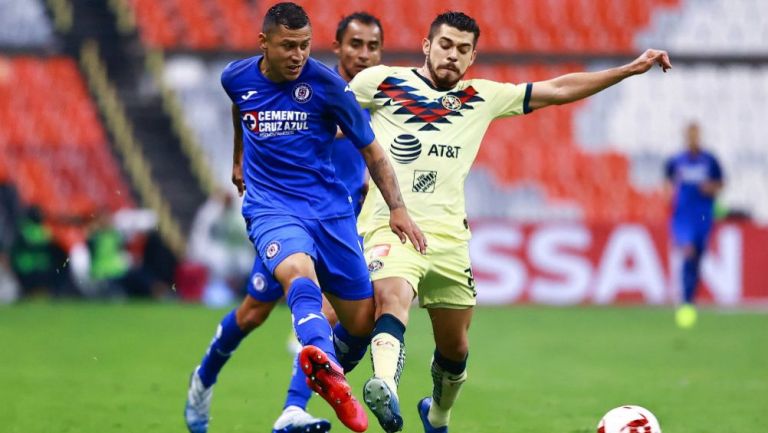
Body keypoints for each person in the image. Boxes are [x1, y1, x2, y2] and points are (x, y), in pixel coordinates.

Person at [348, 11, 672, 433]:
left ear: (473, 57)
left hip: (447, 239)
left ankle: (437, 415)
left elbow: (556, 89)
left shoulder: (481, 97)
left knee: (456, 346)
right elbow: (327, 119)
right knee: (392, 298)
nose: (453, 55)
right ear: (427, 46)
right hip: (390, 226)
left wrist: (628, 70)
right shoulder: (378, 82)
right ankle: (384, 383)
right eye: (445, 45)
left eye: (463, 50)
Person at [183, 4, 424, 433]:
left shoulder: (348, 95)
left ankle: (311, 386)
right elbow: (242, 104)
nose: (365, 54)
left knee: (360, 321)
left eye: (374, 47)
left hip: (335, 217)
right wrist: (239, 158)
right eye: (356, 44)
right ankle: (215, 382)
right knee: (278, 294)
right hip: (275, 210)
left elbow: (374, 153)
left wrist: (394, 206)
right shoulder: (238, 78)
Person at [664, 122, 723, 329]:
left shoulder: (710, 161)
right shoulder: (676, 161)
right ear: (685, 137)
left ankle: (690, 299)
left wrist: (711, 188)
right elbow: (667, 182)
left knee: (697, 256)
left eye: (695, 135)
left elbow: (720, 183)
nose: (692, 139)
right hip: (683, 217)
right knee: (688, 252)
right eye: (689, 135)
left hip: (703, 218)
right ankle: (686, 302)